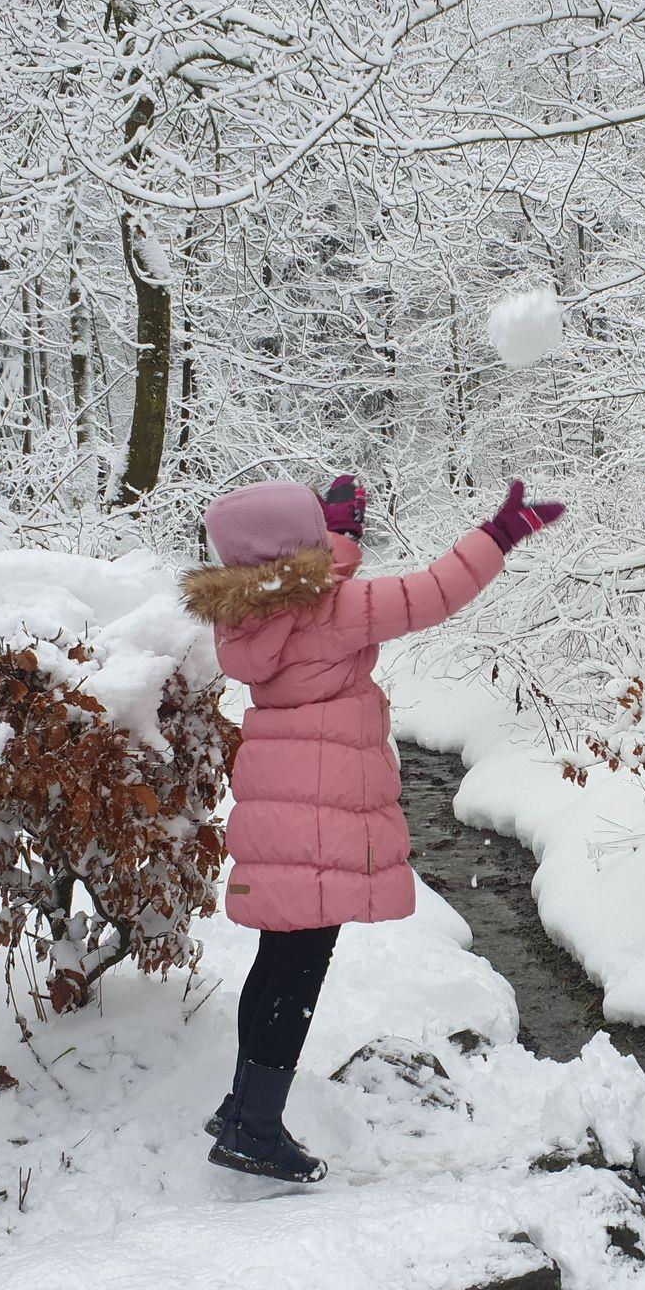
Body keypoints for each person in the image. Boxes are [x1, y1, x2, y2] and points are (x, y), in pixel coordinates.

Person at [179, 473, 564, 1182]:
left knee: (277, 958)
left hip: (278, 801)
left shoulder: (248, 611)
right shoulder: (333, 609)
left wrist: (341, 538)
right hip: (321, 810)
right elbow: (433, 592)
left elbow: (312, 581)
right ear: (298, 547)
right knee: (299, 968)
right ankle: (254, 1129)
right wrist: (498, 535)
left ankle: (242, 1106)